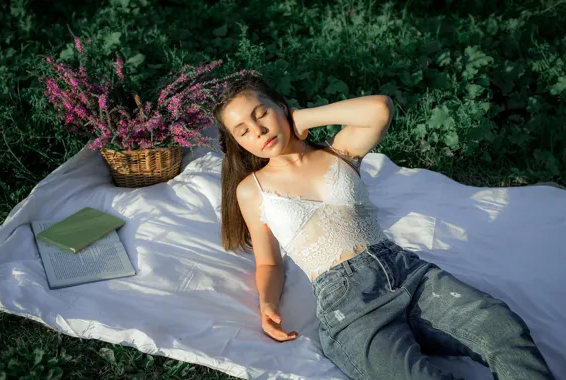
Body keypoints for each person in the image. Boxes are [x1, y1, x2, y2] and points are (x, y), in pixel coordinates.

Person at [212, 75, 555, 380]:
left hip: (409, 274)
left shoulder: (339, 152)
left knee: (501, 328)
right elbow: (269, 262)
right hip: (350, 308)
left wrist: (303, 118)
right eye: (243, 131)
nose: (257, 130)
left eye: (262, 113)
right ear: (239, 144)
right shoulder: (251, 190)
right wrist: (267, 304)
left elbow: (379, 107)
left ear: (281, 107)